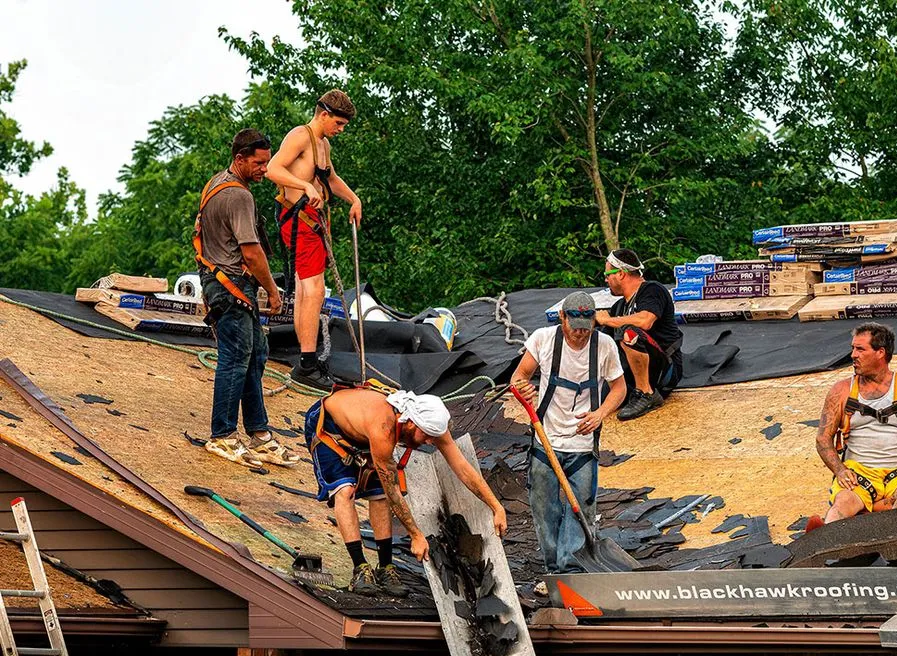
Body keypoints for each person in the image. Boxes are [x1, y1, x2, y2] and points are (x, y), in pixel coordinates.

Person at [305, 387, 508, 596]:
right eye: (427, 437)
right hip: (330, 427)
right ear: (411, 423)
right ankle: (360, 568)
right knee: (345, 490)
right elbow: (393, 490)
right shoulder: (383, 427)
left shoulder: (431, 424)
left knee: (379, 496)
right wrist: (415, 535)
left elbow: (464, 469)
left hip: (364, 435)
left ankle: (385, 567)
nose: (430, 442)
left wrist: (496, 506)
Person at [194, 129, 298, 469]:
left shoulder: (215, 184)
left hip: (220, 283)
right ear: (239, 159)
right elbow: (252, 253)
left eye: (267, 162)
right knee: (236, 358)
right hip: (233, 285)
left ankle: (259, 433)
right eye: (258, 162)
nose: (265, 169)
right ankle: (222, 435)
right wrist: (272, 290)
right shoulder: (239, 196)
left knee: (256, 354)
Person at [511, 291, 626, 590]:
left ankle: (571, 573)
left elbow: (619, 388)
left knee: (581, 511)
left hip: (582, 447)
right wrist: (523, 390)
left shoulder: (605, 346)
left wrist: (600, 413)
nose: (579, 334)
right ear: (562, 318)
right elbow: (518, 377)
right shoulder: (542, 340)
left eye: (585, 328)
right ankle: (553, 573)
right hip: (545, 443)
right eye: (574, 326)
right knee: (544, 509)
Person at [266, 90, 362, 392]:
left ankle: (305, 358)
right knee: (314, 289)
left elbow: (331, 178)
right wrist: (304, 185)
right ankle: (307, 363)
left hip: (316, 221)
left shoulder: (323, 145)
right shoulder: (300, 135)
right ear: (323, 115)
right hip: (299, 220)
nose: (341, 129)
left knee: (310, 290)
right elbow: (273, 169)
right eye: (339, 123)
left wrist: (353, 199)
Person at [814, 322, 897, 523]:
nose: (853, 355)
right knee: (843, 503)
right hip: (858, 474)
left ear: (880, 353)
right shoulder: (840, 391)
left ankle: (866, 511)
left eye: (860, 349)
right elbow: (823, 439)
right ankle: (827, 531)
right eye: (853, 348)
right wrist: (840, 470)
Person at [594, 248, 684, 421]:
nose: (605, 280)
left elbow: (645, 321)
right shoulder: (619, 307)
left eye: (607, 274)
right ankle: (634, 390)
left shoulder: (652, 289)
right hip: (633, 373)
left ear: (620, 273)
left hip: (665, 369)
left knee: (628, 332)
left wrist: (606, 320)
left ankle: (646, 393)